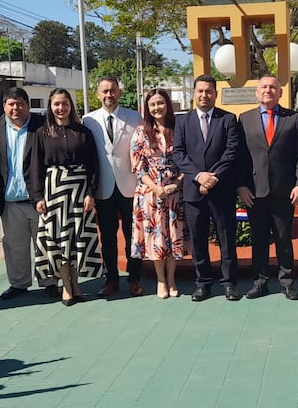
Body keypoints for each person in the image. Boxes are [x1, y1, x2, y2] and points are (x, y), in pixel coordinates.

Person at [0, 87, 59, 300]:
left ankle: (50, 281)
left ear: (27, 105)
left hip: (39, 199)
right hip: (9, 201)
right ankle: (18, 283)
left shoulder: (42, 125)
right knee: (15, 245)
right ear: (4, 106)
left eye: (20, 104)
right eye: (11, 104)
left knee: (46, 243)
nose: (15, 108)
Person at [237, 75, 298, 301]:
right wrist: (241, 186)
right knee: (258, 239)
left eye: (273, 87)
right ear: (257, 93)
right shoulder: (245, 119)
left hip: (284, 190)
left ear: (280, 93)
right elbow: (239, 156)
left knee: (284, 238)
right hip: (254, 192)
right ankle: (260, 282)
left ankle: (287, 282)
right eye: (264, 87)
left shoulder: (293, 118)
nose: (268, 90)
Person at [31, 88, 103, 305]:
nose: (61, 108)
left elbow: (93, 164)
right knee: (59, 240)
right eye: (56, 104)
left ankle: (75, 281)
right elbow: (35, 167)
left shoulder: (83, 132)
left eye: (65, 104)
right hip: (54, 192)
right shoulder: (41, 133)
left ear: (70, 106)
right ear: (50, 107)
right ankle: (66, 285)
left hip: (80, 191)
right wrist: (38, 197)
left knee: (78, 239)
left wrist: (91, 192)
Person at [173, 74, 242, 302]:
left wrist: (214, 177)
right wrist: (199, 176)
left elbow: (232, 152)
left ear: (215, 93)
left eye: (208, 91)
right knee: (199, 240)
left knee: (226, 239)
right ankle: (203, 283)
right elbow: (179, 154)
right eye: (200, 91)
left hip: (221, 190)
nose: (204, 95)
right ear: (194, 94)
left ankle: (229, 283)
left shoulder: (228, 119)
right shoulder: (182, 121)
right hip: (193, 192)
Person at [83, 76, 144, 297]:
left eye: (113, 90)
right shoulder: (88, 120)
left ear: (119, 92)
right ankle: (111, 280)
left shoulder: (134, 117)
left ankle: (135, 278)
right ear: (98, 94)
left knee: (132, 235)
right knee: (107, 237)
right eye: (104, 91)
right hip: (104, 187)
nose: (109, 94)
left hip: (130, 185)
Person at [130, 88, 185, 298]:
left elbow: (187, 160)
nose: (156, 108)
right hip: (150, 194)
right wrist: (156, 188)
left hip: (174, 192)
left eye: (160, 103)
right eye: (152, 104)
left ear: (167, 105)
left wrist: (176, 184)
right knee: (156, 239)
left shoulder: (178, 128)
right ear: (147, 108)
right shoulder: (140, 131)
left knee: (173, 237)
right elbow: (138, 167)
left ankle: (172, 279)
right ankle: (160, 281)